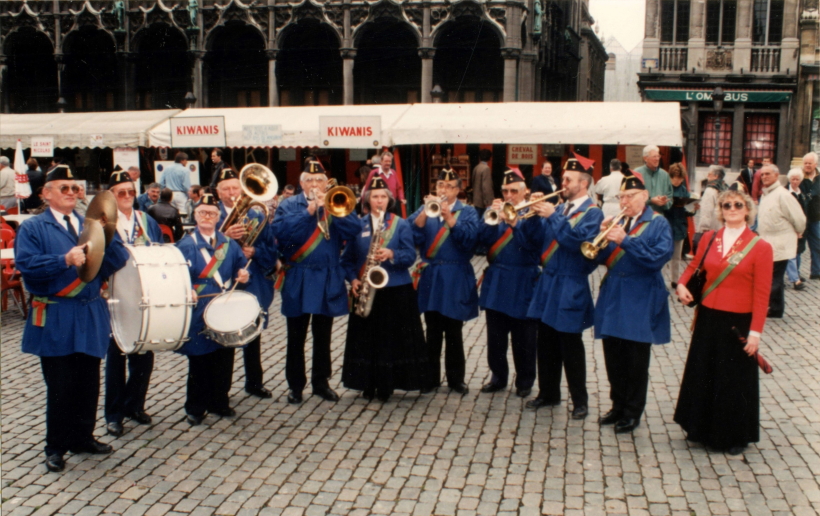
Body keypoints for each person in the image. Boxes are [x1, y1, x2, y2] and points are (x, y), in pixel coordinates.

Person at [14, 164, 129, 472]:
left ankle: (83, 437)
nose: (72, 193)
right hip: (57, 312)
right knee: (61, 384)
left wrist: (110, 233)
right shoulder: (33, 227)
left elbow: (115, 262)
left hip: (90, 311)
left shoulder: (87, 223)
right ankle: (55, 446)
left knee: (89, 381)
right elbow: (27, 266)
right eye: (63, 188)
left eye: (75, 188)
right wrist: (63, 259)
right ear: (46, 193)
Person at [675, 189, 773, 455]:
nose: (732, 208)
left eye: (738, 205)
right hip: (708, 315)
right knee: (704, 372)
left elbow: (763, 295)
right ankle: (700, 428)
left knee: (732, 380)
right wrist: (682, 284)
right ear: (720, 210)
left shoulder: (760, 247)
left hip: (738, 320)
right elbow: (694, 266)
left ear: (747, 210)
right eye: (727, 204)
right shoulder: (709, 238)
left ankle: (733, 436)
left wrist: (755, 334)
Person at [272, 160, 361, 404]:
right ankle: (295, 386)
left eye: (319, 180)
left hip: (327, 277)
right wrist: (309, 211)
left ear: (326, 182)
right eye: (309, 180)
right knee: (296, 336)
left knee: (323, 336)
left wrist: (333, 210)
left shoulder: (335, 200)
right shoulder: (289, 204)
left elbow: (355, 229)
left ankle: (321, 383)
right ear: (301, 183)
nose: (314, 184)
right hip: (299, 275)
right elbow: (280, 233)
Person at [520, 159, 604, 418]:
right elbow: (531, 241)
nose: (562, 184)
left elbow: (574, 242)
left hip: (570, 281)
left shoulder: (593, 213)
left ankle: (580, 401)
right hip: (548, 280)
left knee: (570, 344)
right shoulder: (560, 208)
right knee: (545, 341)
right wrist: (533, 214)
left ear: (584, 183)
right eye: (563, 179)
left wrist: (553, 215)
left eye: (568, 180)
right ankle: (548, 393)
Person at [341, 176, 433, 401]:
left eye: (383, 196)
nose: (379, 201)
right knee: (368, 339)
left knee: (393, 340)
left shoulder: (400, 224)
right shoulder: (358, 225)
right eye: (375, 197)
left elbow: (410, 256)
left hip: (396, 289)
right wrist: (353, 280)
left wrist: (392, 254)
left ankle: (390, 384)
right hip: (367, 290)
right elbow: (347, 260)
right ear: (367, 200)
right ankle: (368, 384)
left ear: (389, 199)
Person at [594, 174, 673, 434]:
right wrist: (602, 234)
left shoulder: (657, 223)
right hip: (615, 291)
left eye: (630, 196)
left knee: (636, 358)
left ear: (645, 196)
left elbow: (656, 259)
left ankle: (632, 411)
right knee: (613, 354)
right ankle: (617, 405)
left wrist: (625, 240)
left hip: (641, 293)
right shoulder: (619, 221)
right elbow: (600, 257)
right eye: (621, 197)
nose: (624, 202)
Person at [175, 193, 250, 425]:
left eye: (212, 213)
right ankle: (195, 407)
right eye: (202, 213)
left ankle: (220, 401)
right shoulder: (185, 245)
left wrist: (244, 274)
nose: (207, 217)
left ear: (219, 217)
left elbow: (241, 266)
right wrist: (185, 289)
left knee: (224, 355)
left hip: (224, 305)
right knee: (199, 358)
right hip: (199, 308)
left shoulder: (228, 243)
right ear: (195, 216)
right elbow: (177, 277)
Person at [408, 168, 479, 395]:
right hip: (432, 275)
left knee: (454, 330)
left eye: (449, 186)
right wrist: (422, 216)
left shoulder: (467, 212)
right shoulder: (425, 209)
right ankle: (430, 378)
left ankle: (456, 379)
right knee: (433, 330)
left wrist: (449, 218)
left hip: (456, 274)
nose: (444, 190)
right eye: (440, 185)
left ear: (458, 189)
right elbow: (410, 235)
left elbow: (469, 241)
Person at [104, 169, 163, 438]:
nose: (127, 197)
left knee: (144, 355)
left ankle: (134, 405)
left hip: (143, 295)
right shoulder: (102, 223)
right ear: (111, 196)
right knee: (116, 357)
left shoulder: (146, 220)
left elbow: (159, 250)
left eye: (130, 191)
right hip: (114, 295)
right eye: (121, 193)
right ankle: (114, 414)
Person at [216, 167, 279, 399]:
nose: (232, 192)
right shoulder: (213, 216)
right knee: (224, 335)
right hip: (223, 284)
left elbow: (272, 251)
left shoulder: (256, 215)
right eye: (227, 189)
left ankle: (254, 382)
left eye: (235, 188)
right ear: (218, 191)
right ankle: (221, 389)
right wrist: (224, 237)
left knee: (253, 333)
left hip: (251, 281)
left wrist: (255, 250)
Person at [475, 170, 539, 398]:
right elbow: (481, 241)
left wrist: (514, 223)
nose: (509, 195)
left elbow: (532, 247)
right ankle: (498, 377)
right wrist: (492, 217)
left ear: (525, 192)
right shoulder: (497, 212)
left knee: (524, 338)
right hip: (498, 280)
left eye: (514, 191)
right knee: (496, 336)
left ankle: (524, 381)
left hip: (522, 279)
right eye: (505, 191)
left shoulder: (533, 214)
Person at [756, 164, 806, 318]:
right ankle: (775, 308)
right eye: (762, 174)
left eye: (768, 174)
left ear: (777, 176)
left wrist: (799, 232)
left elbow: (799, 218)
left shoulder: (783, 195)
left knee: (775, 277)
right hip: (767, 242)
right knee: (773, 277)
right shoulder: (765, 194)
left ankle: (773, 308)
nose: (764, 177)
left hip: (780, 243)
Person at [666, 163, 693, 286]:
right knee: (662, 254)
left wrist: (693, 209)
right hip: (666, 224)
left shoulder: (683, 190)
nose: (677, 181)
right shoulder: (665, 187)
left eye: (680, 179)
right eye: (675, 178)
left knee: (677, 256)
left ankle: (674, 280)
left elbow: (687, 210)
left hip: (679, 226)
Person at [361, 151, 406, 215]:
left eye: (389, 161)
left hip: (391, 205)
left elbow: (399, 188)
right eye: (386, 161)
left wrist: (401, 198)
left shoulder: (393, 173)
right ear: (381, 161)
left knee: (391, 223)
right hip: (378, 204)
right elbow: (367, 189)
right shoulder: (373, 173)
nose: (388, 163)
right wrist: (365, 205)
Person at [786, 168, 809, 290]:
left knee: (796, 252)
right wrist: (795, 229)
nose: (795, 181)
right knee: (790, 254)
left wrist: (801, 229)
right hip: (789, 228)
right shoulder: (786, 193)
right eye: (793, 179)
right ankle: (795, 280)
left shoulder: (801, 193)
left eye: (797, 179)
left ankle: (795, 276)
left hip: (799, 228)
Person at [694, 165, 726, 251]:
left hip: (710, 229)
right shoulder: (724, 188)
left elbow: (706, 211)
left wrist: (704, 228)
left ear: (716, 176)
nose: (707, 176)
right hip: (720, 228)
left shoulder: (710, 190)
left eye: (709, 174)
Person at [634, 145, 673, 213]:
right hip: (641, 216)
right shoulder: (637, 173)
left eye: (658, 156)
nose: (657, 159)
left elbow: (670, 196)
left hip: (658, 218)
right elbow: (633, 196)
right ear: (645, 158)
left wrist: (664, 202)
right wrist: (650, 201)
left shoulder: (665, 175)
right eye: (654, 156)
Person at [800, 152, 820, 279]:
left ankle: (816, 272)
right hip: (800, 218)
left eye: (809, 163)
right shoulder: (798, 176)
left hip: (816, 218)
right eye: (805, 163)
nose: (807, 165)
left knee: (817, 245)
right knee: (798, 247)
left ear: (815, 164)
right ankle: (795, 274)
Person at [471, 149, 494, 218]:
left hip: (476, 200)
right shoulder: (486, 168)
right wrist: (488, 202)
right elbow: (486, 187)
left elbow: (473, 182)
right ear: (490, 158)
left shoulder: (476, 167)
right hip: (483, 202)